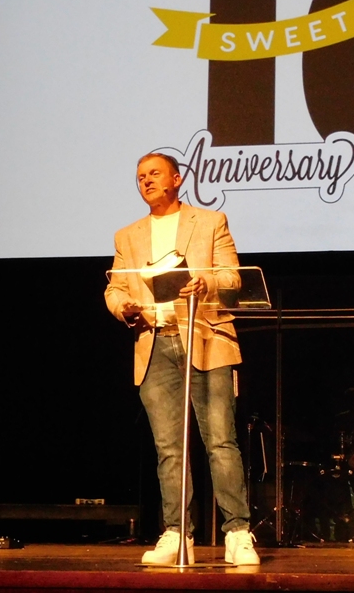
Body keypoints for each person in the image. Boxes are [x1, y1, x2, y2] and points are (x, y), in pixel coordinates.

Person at [104, 152, 259, 566]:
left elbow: (232, 277)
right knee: (169, 449)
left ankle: (238, 533)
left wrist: (203, 281)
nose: (146, 181)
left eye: (154, 173)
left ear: (176, 179)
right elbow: (115, 288)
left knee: (220, 441)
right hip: (154, 343)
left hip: (205, 339)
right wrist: (123, 308)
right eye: (140, 176)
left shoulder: (210, 222)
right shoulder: (128, 235)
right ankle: (177, 533)